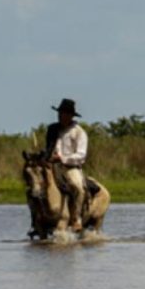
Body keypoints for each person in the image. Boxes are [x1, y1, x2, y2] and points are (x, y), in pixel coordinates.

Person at [44, 98, 89, 233]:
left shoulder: (79, 132)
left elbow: (81, 155)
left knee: (78, 187)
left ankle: (76, 219)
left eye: (62, 114)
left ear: (70, 115)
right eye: (59, 113)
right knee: (36, 185)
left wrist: (62, 158)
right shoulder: (52, 129)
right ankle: (38, 219)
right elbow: (48, 148)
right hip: (52, 164)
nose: (59, 116)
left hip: (70, 166)